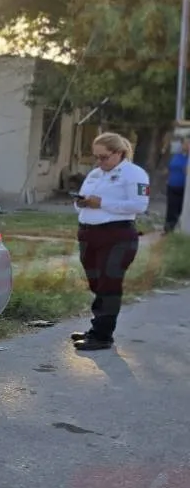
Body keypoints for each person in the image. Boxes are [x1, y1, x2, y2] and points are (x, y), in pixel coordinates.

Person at [70, 132, 151, 351]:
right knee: (96, 282)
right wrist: (83, 203)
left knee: (109, 284)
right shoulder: (96, 174)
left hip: (117, 235)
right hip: (89, 234)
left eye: (104, 157)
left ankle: (102, 335)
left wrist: (102, 203)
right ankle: (97, 328)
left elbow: (138, 205)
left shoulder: (134, 174)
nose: (99, 162)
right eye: (96, 157)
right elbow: (83, 200)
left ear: (119, 153)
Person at [166, 139, 188, 234]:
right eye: (184, 143)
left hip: (184, 187)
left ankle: (178, 229)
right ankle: (168, 229)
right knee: (171, 207)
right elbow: (170, 167)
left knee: (180, 208)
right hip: (172, 185)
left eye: (188, 144)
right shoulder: (177, 155)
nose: (185, 146)